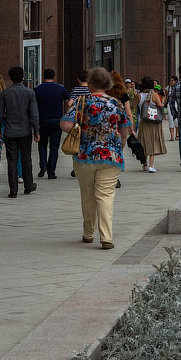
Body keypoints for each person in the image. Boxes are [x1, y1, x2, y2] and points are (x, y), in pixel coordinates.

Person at [61, 67, 130, 250]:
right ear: (107, 83)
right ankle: (106, 237)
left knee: (87, 195)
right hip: (111, 157)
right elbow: (125, 131)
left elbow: (66, 125)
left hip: (84, 155)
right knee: (106, 195)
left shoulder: (81, 102)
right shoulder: (117, 104)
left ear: (90, 84)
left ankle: (88, 233)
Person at [0, 66, 40, 198]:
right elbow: (34, 114)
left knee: (11, 160)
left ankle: (13, 189)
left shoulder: (5, 93)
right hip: (25, 131)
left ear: (10, 77)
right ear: (23, 77)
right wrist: (36, 130)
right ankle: (28, 185)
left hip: (9, 131)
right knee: (26, 158)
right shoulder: (30, 93)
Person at [34, 68, 70, 180]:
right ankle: (51, 172)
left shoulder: (37, 89)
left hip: (42, 121)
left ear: (43, 77)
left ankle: (43, 165)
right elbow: (68, 102)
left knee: (42, 144)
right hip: (56, 121)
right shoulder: (60, 88)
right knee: (54, 147)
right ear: (54, 77)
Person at [137, 76, 168, 172]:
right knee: (153, 141)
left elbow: (134, 106)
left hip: (143, 121)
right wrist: (164, 101)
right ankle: (151, 165)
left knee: (144, 142)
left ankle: (144, 164)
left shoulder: (139, 95)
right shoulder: (154, 94)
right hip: (154, 122)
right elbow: (160, 105)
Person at [165, 76, 179, 141]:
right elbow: (165, 97)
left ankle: (177, 134)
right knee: (170, 120)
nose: (171, 82)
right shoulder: (168, 88)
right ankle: (172, 136)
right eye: (170, 80)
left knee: (176, 120)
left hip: (177, 104)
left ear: (176, 81)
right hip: (169, 105)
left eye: (172, 80)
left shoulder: (178, 87)